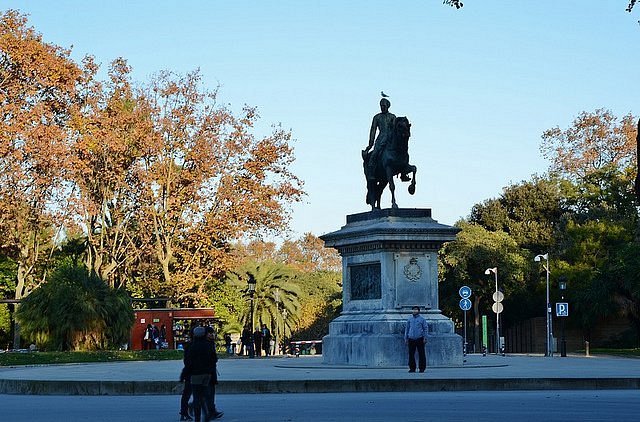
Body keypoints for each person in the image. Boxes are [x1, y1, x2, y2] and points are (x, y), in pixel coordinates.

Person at [182, 326, 223, 421]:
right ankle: (207, 413)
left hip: (195, 374)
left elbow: (188, 362)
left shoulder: (190, 346)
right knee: (205, 395)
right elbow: (214, 359)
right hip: (207, 374)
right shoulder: (208, 345)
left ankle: (198, 417)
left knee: (198, 396)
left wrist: (184, 374)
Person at [363, 97, 396, 180]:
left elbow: (396, 129)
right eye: (381, 106)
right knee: (374, 154)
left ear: (388, 106)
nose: (382, 107)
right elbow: (373, 130)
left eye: (384, 106)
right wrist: (370, 144)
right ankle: (371, 172)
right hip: (381, 138)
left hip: (391, 139)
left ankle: (403, 174)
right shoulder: (377, 117)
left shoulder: (392, 117)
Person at [404, 306, 428, 373]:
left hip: (420, 338)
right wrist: (406, 338)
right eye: (413, 310)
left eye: (416, 310)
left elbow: (425, 329)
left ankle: (422, 368)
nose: (414, 311)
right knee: (411, 354)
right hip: (411, 338)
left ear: (418, 311)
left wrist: (425, 338)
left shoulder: (422, 319)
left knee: (421, 354)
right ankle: (412, 368)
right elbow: (407, 329)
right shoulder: (410, 319)